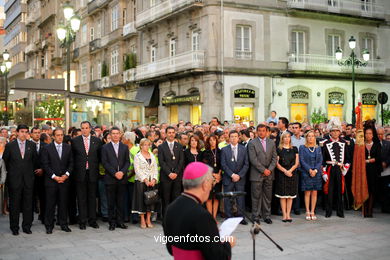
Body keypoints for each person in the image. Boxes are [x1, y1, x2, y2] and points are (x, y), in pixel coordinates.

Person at [163, 162, 234, 259]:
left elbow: (171, 249)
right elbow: (219, 257)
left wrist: (211, 232)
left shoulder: (170, 208)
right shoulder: (203, 216)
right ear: (205, 184)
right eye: (211, 182)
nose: (211, 187)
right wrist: (228, 243)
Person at [3, 125, 39, 235]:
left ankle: (26, 226)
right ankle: (14, 227)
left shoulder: (32, 145)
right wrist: (13, 173)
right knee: (14, 204)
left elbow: (35, 162)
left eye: (26, 132)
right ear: (17, 132)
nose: (24, 134)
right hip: (15, 180)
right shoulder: (10, 146)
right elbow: (5, 161)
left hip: (28, 180)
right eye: (22, 131)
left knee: (28, 204)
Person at [70, 121, 102, 230]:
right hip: (80, 174)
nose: (84, 130)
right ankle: (82, 221)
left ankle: (92, 220)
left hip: (92, 173)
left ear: (90, 129)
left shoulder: (97, 141)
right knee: (81, 198)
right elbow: (72, 158)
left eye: (86, 128)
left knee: (92, 198)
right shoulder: (75, 141)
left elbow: (99, 158)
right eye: (82, 128)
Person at [41, 128, 73, 234]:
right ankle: (49, 225)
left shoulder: (68, 148)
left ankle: (63, 224)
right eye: (58, 135)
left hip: (64, 180)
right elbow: (45, 165)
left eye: (61, 135)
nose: (60, 137)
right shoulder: (47, 148)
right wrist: (55, 177)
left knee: (63, 203)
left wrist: (66, 175)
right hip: (51, 181)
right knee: (50, 204)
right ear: (53, 136)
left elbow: (71, 163)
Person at [101, 127, 130, 231]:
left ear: (120, 135)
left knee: (120, 201)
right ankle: (111, 222)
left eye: (117, 133)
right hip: (110, 178)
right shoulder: (105, 147)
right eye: (113, 134)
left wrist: (122, 172)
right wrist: (114, 173)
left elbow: (127, 162)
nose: (115, 135)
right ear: (110, 135)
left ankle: (120, 222)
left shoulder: (124, 147)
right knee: (111, 202)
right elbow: (105, 163)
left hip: (122, 178)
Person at [248, 124, 277, 224]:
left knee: (267, 196)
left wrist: (269, 169)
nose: (261, 132)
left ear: (267, 131)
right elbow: (253, 159)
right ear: (256, 131)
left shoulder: (271, 143)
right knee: (256, 196)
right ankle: (255, 216)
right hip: (257, 174)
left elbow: (274, 158)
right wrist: (263, 170)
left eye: (263, 130)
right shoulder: (252, 143)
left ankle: (267, 216)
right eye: (259, 130)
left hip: (269, 174)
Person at [322, 117, 350, 218]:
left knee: (340, 190)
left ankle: (340, 211)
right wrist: (324, 173)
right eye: (333, 131)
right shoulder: (325, 144)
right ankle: (328, 211)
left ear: (339, 132)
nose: (335, 133)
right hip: (330, 169)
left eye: (336, 131)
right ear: (330, 132)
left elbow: (347, 159)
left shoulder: (344, 143)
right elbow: (323, 160)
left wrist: (345, 169)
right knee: (329, 191)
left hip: (340, 169)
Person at [220, 130, 249, 225]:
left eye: (235, 136)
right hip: (228, 178)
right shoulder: (224, 149)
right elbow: (223, 164)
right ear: (229, 138)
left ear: (238, 137)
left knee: (240, 198)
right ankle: (229, 217)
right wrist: (232, 175)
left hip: (240, 179)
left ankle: (241, 217)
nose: (233, 138)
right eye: (231, 136)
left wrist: (239, 175)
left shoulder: (243, 149)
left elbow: (246, 164)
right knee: (227, 198)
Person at [158, 126, 185, 218]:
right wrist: (169, 173)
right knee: (166, 199)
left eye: (173, 132)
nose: (171, 134)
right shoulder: (161, 147)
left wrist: (176, 173)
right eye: (169, 132)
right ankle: (166, 218)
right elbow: (161, 162)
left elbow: (181, 161)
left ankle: (175, 217)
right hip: (166, 177)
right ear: (166, 134)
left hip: (177, 177)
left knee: (176, 198)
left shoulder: (180, 146)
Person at [132, 138, 159, 228]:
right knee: (141, 201)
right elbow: (137, 170)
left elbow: (155, 168)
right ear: (141, 146)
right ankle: (142, 220)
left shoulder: (152, 155)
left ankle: (148, 219)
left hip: (151, 182)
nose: (146, 147)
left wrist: (154, 179)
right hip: (141, 182)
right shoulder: (137, 156)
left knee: (150, 201)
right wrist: (145, 180)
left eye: (148, 145)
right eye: (145, 145)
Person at [275, 132, 299, 222]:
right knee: (283, 196)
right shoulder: (279, 149)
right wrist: (285, 171)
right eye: (285, 137)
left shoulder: (295, 149)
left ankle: (289, 214)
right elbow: (277, 163)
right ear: (282, 139)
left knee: (290, 196)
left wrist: (290, 171)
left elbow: (297, 163)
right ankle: (284, 215)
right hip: (282, 174)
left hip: (292, 174)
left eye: (288, 137)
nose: (287, 139)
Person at [299, 130, 323, 221]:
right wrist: (309, 170)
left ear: (315, 138)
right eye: (309, 136)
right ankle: (307, 211)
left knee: (314, 192)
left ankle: (313, 211)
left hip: (316, 173)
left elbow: (320, 160)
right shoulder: (302, 147)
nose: (311, 138)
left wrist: (315, 170)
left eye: (312, 136)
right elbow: (302, 160)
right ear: (306, 138)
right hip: (306, 172)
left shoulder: (318, 148)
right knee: (307, 192)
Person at [363, 124, 382, 217]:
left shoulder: (377, 145)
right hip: (364, 171)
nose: (368, 135)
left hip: (373, 170)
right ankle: (365, 210)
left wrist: (369, 160)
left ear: (372, 135)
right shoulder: (361, 145)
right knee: (365, 189)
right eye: (366, 133)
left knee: (372, 190)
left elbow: (379, 158)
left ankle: (370, 210)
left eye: (370, 133)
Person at [203, 134, 222, 220]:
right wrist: (212, 176)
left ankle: (214, 217)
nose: (212, 142)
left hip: (218, 178)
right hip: (208, 177)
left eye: (214, 140)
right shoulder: (205, 152)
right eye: (210, 140)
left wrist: (219, 175)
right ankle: (210, 217)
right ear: (208, 142)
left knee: (216, 198)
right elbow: (204, 166)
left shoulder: (220, 151)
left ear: (216, 141)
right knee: (209, 198)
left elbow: (223, 164)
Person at [30, 126, 46, 224]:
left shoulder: (45, 145)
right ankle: (29, 219)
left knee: (43, 197)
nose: (37, 134)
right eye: (35, 132)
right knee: (30, 199)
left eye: (38, 132)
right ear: (31, 134)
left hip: (43, 176)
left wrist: (42, 169)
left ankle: (43, 216)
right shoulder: (27, 145)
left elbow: (48, 160)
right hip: (30, 176)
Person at [377, 127, 390, 213]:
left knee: (386, 190)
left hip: (386, 170)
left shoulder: (388, 144)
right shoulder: (373, 144)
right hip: (376, 171)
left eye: (381, 134)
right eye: (378, 134)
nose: (380, 136)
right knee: (379, 189)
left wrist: (386, 162)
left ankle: (386, 207)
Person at [0, 137, 8, 215]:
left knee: (5, 194)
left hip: (5, 174)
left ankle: (4, 209)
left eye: (2, 143)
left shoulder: (7, 151)